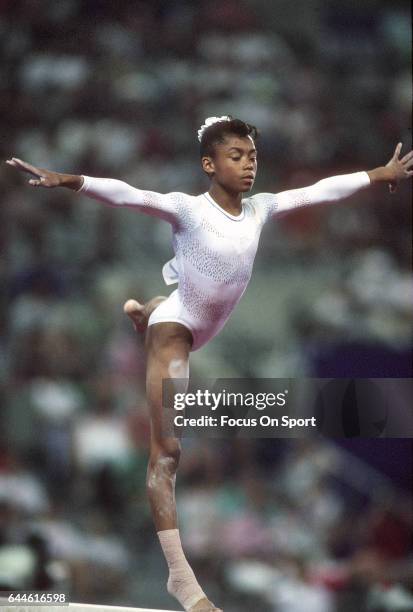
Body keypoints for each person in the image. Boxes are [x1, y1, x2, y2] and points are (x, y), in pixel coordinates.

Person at [6, 116, 413, 612]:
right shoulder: (187, 210)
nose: (248, 166)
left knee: (168, 307)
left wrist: (377, 174)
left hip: (200, 320)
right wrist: (68, 179)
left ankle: (143, 308)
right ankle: (182, 579)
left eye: (253, 157)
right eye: (236, 156)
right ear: (209, 163)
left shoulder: (261, 209)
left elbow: (319, 190)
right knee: (168, 452)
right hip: (178, 332)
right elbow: (127, 193)